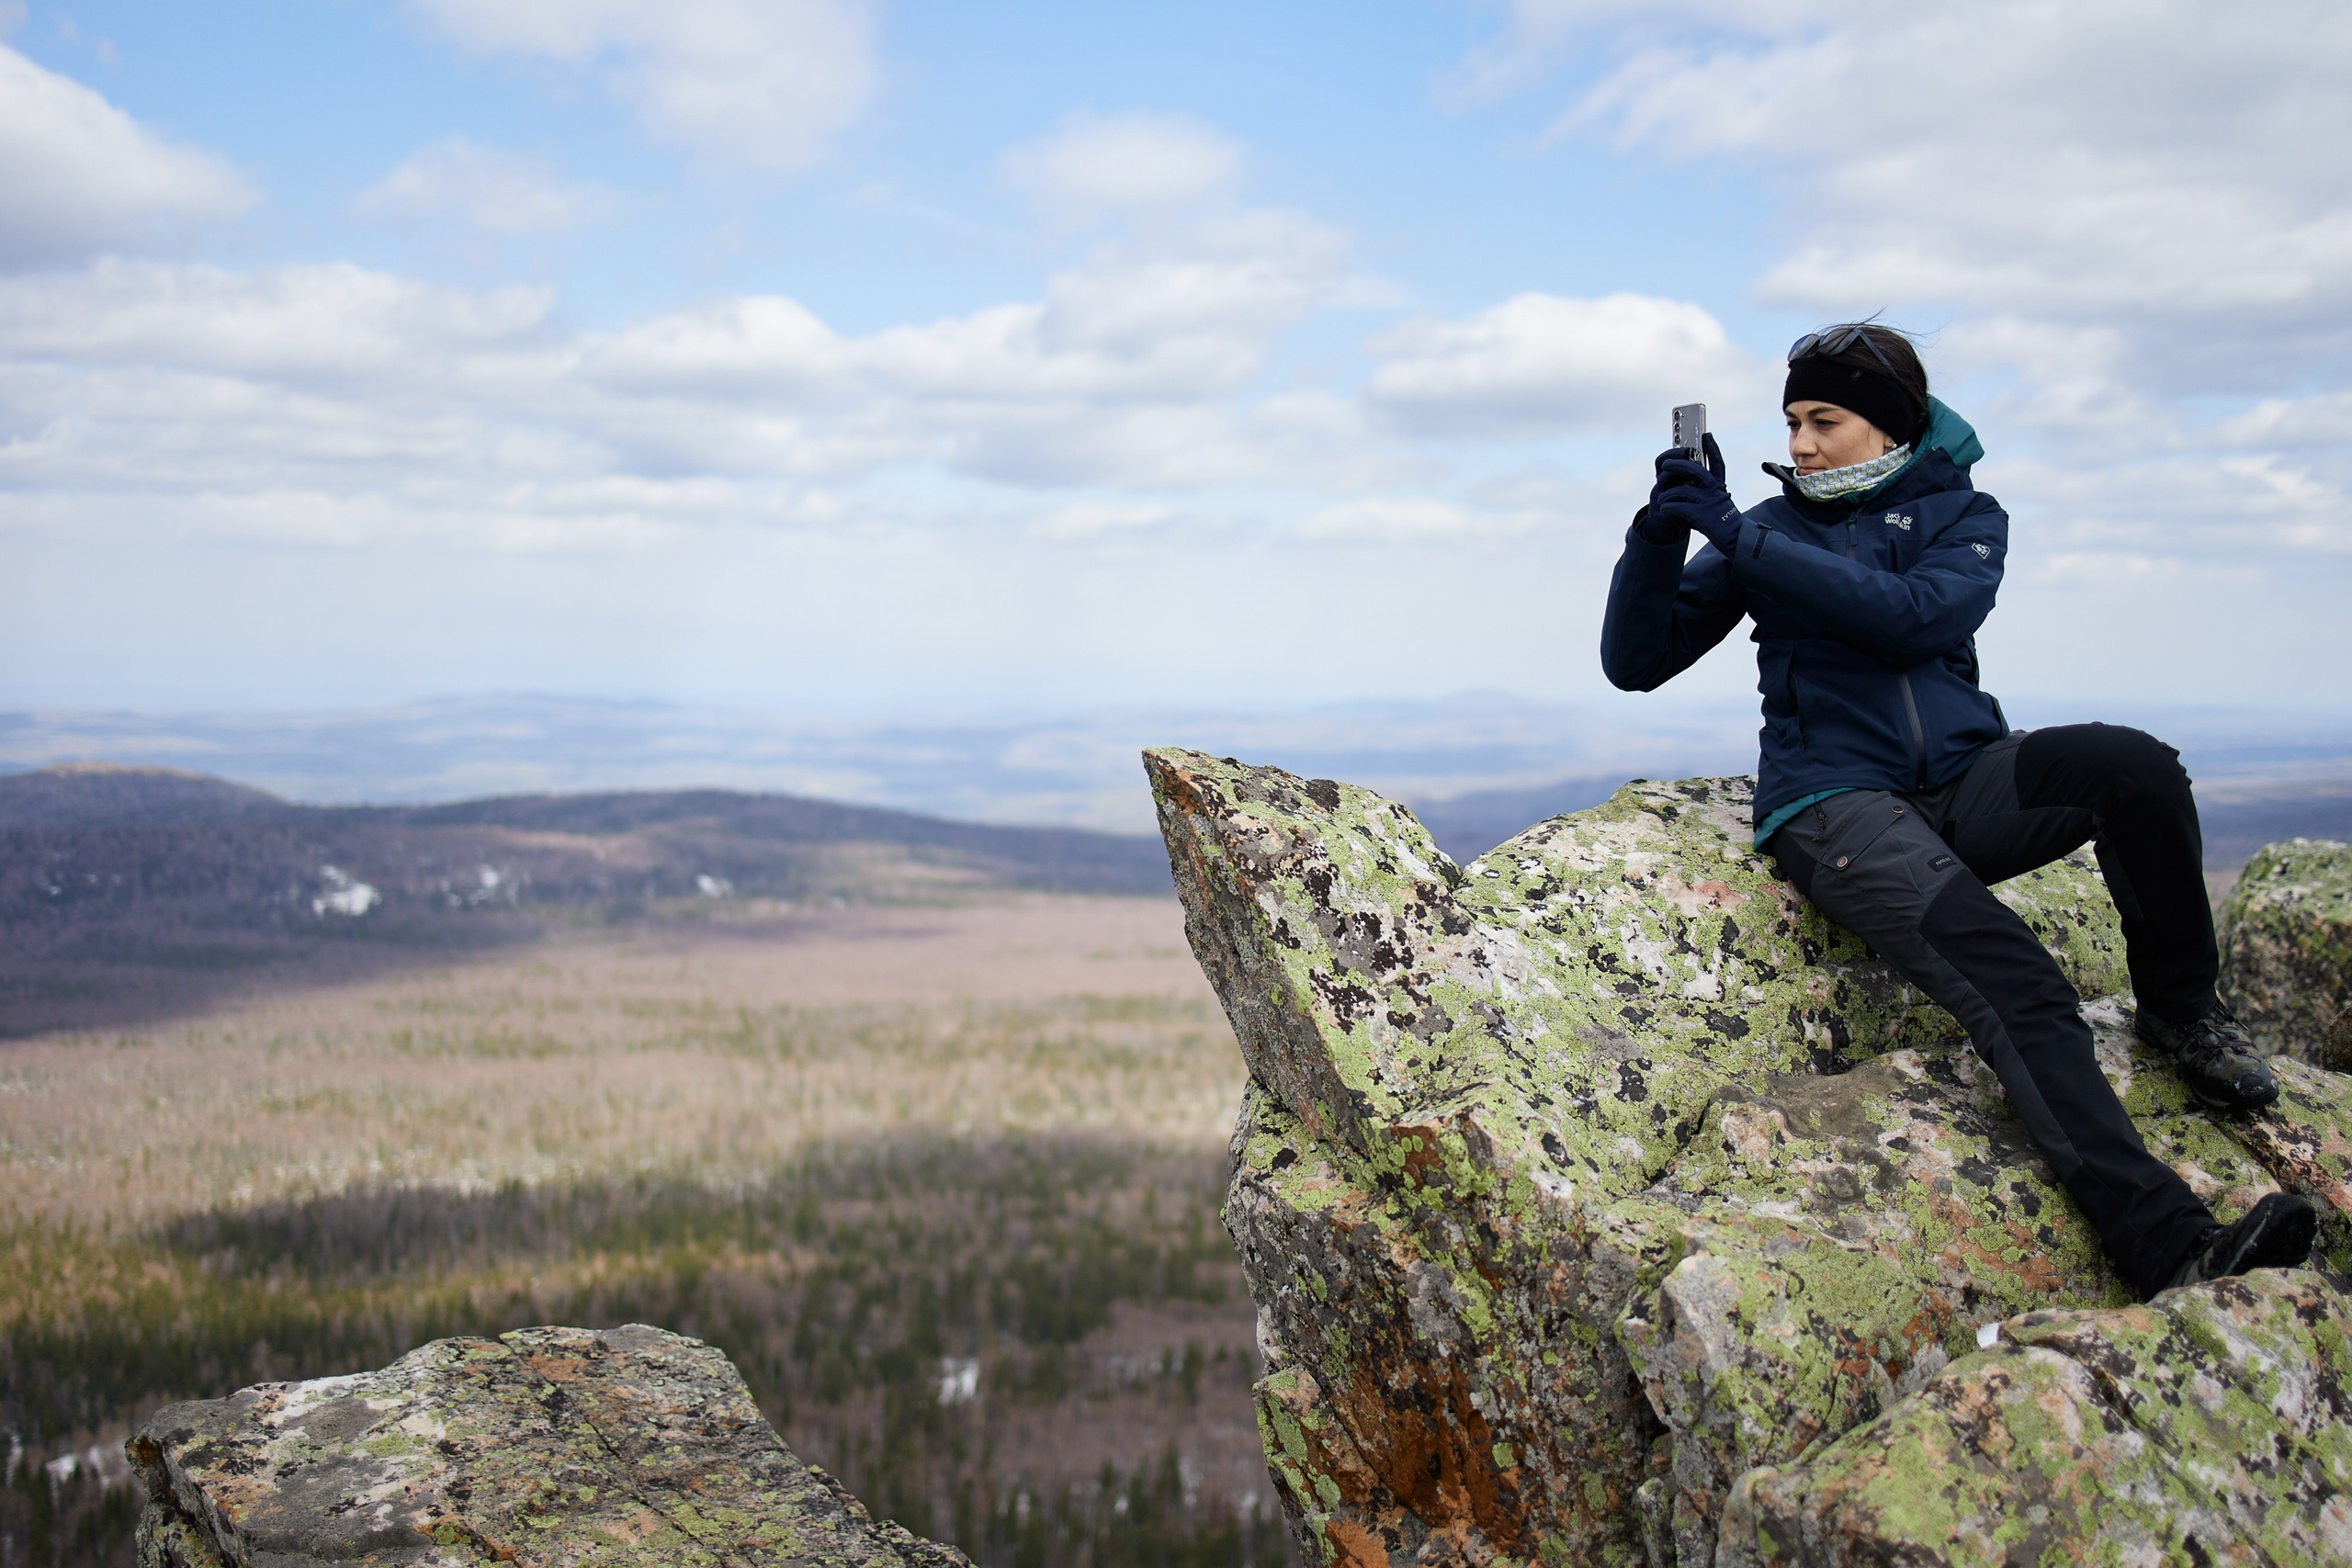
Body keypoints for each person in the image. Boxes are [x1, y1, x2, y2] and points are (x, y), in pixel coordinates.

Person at [1599, 321, 2314, 1299]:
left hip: (1965, 782)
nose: (1800, 444)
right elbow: (1636, 662)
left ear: (1889, 429)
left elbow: (1915, 620)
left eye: (1824, 420)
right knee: (2016, 982)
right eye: (1791, 422)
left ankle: (2181, 1015)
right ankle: (2167, 1246)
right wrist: (1659, 534)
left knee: (2136, 769)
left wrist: (1739, 533)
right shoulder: (1770, 528)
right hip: (1834, 804)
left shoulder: (1960, 515)